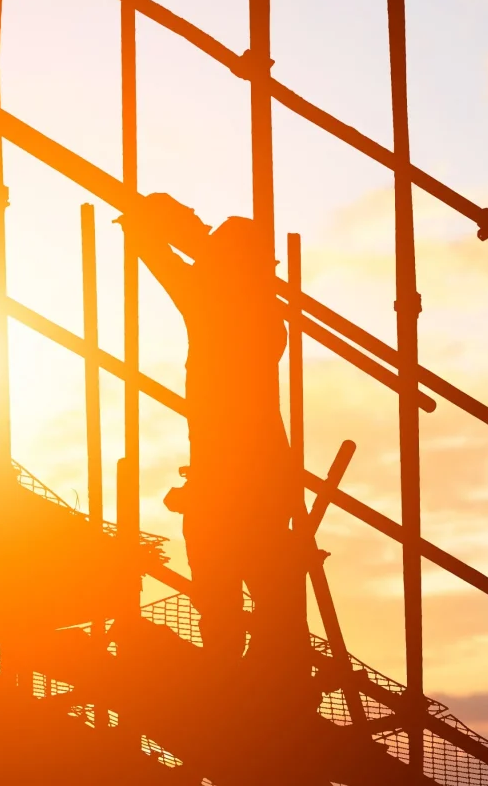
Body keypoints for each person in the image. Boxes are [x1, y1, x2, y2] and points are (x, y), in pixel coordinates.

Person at [121, 193, 306, 698]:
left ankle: (237, 667)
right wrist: (196, 234)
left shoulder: (217, 300)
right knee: (257, 571)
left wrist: (173, 223)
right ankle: (268, 666)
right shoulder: (263, 311)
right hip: (263, 467)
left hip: (228, 470)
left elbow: (149, 247)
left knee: (222, 567)